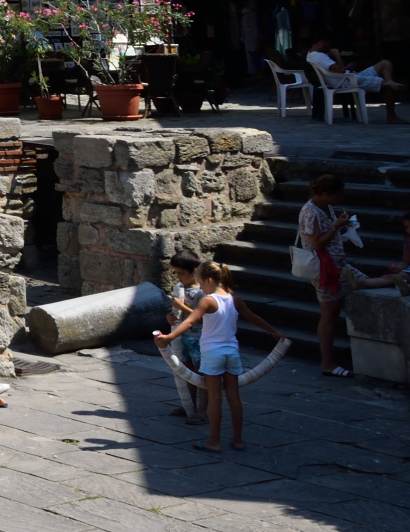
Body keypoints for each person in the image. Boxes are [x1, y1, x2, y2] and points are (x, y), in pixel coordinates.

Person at [154, 260, 286, 452]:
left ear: (209, 280)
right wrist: (274, 331)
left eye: (201, 283)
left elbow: (191, 321)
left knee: (215, 398)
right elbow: (254, 318)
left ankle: (214, 441)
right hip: (232, 353)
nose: (201, 288)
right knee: (234, 397)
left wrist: (169, 337)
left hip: (212, 354)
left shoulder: (207, 300)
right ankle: (238, 440)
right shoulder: (234, 299)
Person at [299, 173, 400, 376]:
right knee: (329, 315)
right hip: (325, 269)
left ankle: (395, 280)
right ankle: (327, 363)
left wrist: (342, 225)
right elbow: (316, 243)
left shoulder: (325, 206)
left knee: (359, 286)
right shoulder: (310, 212)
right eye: (337, 196)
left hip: (338, 263)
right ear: (326, 194)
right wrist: (337, 225)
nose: (340, 200)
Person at [304, 38, 404, 123]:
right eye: (326, 43)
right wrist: (337, 55)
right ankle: (391, 116)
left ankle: (389, 80)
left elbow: (337, 70)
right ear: (320, 42)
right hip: (348, 81)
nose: (328, 46)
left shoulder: (311, 54)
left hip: (350, 76)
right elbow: (341, 70)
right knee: (389, 86)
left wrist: (348, 67)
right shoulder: (320, 56)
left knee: (385, 63)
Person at [165, 252, 207, 424]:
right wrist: (170, 317)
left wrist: (182, 306)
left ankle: (202, 411)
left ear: (194, 272)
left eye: (181, 273)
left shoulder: (202, 292)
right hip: (183, 340)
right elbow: (177, 314)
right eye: (176, 273)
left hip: (199, 340)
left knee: (202, 376)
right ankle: (188, 404)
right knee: (187, 373)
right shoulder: (181, 289)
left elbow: (203, 317)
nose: (178, 277)